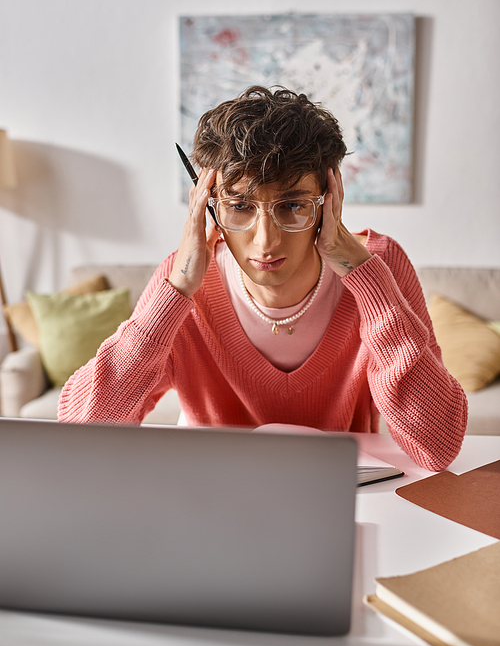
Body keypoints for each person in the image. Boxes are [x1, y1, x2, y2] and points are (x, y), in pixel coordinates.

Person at [58, 86, 467, 471]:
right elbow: (79, 437)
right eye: (239, 206)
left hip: (341, 498)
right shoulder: (182, 280)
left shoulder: (380, 267)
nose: (265, 241)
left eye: (292, 206)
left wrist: (368, 282)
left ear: (330, 198)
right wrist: (176, 293)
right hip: (206, 500)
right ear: (208, 205)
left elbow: (437, 446)